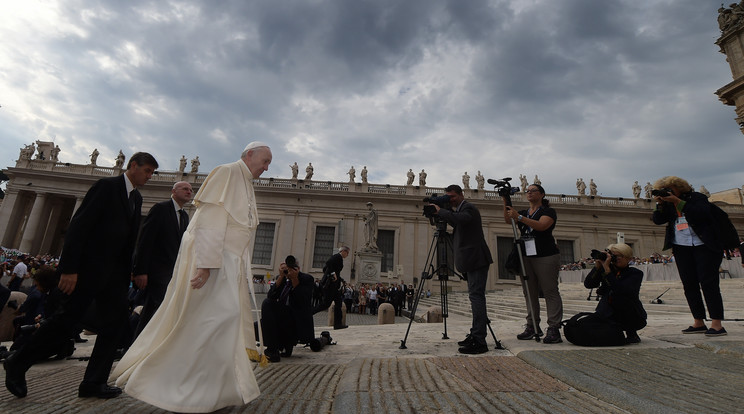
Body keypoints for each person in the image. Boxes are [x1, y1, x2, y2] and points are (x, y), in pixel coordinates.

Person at [111, 142, 272, 412]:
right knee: (215, 319)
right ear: (249, 154)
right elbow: (210, 219)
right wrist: (205, 264)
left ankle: (214, 388)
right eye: (265, 161)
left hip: (227, 264)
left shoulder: (245, 182)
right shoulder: (227, 172)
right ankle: (187, 387)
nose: (267, 168)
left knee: (219, 321)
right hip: (215, 261)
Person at [4, 152, 158, 399]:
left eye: (152, 173)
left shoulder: (136, 198)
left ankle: (93, 382)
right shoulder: (107, 186)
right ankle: (18, 361)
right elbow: (79, 225)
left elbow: (129, 239)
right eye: (147, 171)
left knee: (115, 325)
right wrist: (68, 269)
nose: (149, 176)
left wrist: (130, 270)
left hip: (115, 276)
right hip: (87, 271)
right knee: (64, 321)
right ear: (133, 166)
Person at [651, 176, 727, 336]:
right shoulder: (667, 204)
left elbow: (702, 213)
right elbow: (657, 220)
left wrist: (677, 201)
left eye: (670, 188)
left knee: (709, 284)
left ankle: (717, 324)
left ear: (679, 187)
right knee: (689, 284)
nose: (668, 191)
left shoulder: (697, 198)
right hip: (681, 247)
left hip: (704, 245)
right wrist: (660, 203)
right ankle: (698, 321)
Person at [432, 184, 493, 354]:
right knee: (475, 297)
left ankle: (480, 340)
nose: (450, 199)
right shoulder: (459, 210)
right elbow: (457, 223)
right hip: (471, 260)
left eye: (452, 196)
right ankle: (475, 334)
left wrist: (441, 211)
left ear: (461, 194)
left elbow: (461, 219)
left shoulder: (468, 208)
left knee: (477, 297)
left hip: (476, 260)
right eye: (448, 197)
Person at [131, 181, 193, 338]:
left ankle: (136, 345)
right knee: (159, 309)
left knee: (151, 311)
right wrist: (140, 271)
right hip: (156, 272)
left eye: (191, 190)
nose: (189, 192)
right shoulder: (160, 209)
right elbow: (145, 240)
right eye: (185, 189)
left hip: (171, 273)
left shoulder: (185, 216)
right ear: (173, 191)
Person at [503, 183, 563, 344]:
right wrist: (505, 199)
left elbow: (542, 226)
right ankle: (532, 325)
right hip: (526, 255)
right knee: (529, 292)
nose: (529, 193)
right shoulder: (523, 212)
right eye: (527, 191)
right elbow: (508, 220)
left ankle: (554, 327)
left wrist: (520, 218)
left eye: (533, 191)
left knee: (550, 290)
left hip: (546, 255)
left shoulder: (547, 211)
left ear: (542, 194)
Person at [583, 244, 647, 344]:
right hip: (607, 311)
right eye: (613, 256)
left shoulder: (635, 273)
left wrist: (607, 271)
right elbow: (589, 284)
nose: (615, 259)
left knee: (621, 298)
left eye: (619, 256)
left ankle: (631, 332)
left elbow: (621, 290)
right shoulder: (606, 269)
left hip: (630, 315)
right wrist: (598, 267)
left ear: (628, 259)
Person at [261, 256, 314, 363]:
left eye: (291, 268)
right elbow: (271, 296)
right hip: (282, 316)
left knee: (268, 306)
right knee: (261, 320)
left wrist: (294, 279)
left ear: (297, 268)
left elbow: (302, 301)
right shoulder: (283, 279)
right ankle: (275, 348)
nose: (289, 270)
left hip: (296, 318)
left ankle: (273, 350)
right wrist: (281, 277)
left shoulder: (307, 279)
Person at [312, 246, 350, 330]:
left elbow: (326, 269)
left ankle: (338, 324)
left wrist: (340, 279)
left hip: (334, 286)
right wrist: (333, 274)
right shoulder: (337, 257)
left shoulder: (338, 258)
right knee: (326, 304)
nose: (347, 255)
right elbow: (328, 263)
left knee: (338, 303)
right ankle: (309, 313)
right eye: (347, 253)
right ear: (343, 251)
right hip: (330, 286)